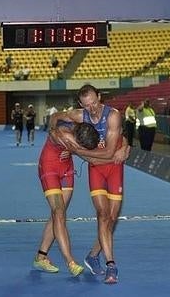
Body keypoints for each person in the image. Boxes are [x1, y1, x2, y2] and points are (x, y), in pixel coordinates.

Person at [49, 84, 130, 284]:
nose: (92, 108)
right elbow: (55, 117)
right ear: (81, 104)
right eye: (87, 105)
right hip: (97, 170)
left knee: (112, 218)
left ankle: (93, 256)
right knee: (102, 215)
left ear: (100, 97)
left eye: (94, 102)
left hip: (114, 167)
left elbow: (109, 154)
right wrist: (55, 132)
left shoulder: (112, 116)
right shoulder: (79, 115)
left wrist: (76, 151)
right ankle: (111, 265)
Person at [33, 121, 100, 276]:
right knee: (59, 213)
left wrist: (72, 151)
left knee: (58, 214)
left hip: (67, 169)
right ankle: (70, 262)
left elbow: (84, 149)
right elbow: (91, 158)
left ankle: (40, 257)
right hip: (49, 168)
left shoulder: (77, 131)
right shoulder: (63, 136)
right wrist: (75, 151)